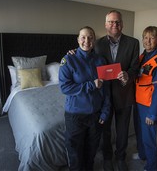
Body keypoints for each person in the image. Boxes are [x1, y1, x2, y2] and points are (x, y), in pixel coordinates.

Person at [59, 26, 111, 171]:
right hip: (75, 116)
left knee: (91, 151)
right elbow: (65, 88)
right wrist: (90, 85)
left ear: (94, 40)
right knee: (75, 153)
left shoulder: (100, 60)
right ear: (78, 39)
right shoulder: (68, 60)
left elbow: (105, 89)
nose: (86, 41)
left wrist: (105, 111)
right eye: (83, 37)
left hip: (95, 115)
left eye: (90, 37)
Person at [95, 10, 139, 171]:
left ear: (122, 24)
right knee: (105, 130)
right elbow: (87, 61)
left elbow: (135, 67)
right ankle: (107, 157)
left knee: (122, 130)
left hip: (124, 93)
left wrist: (128, 75)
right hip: (104, 96)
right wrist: (71, 53)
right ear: (106, 24)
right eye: (111, 22)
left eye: (118, 22)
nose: (115, 24)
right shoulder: (97, 43)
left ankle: (120, 157)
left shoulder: (133, 43)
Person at [133, 26, 157, 171]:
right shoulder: (142, 58)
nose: (148, 41)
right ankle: (143, 155)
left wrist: (153, 113)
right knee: (141, 133)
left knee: (151, 138)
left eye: (152, 37)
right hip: (139, 103)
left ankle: (152, 166)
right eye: (145, 37)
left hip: (150, 106)